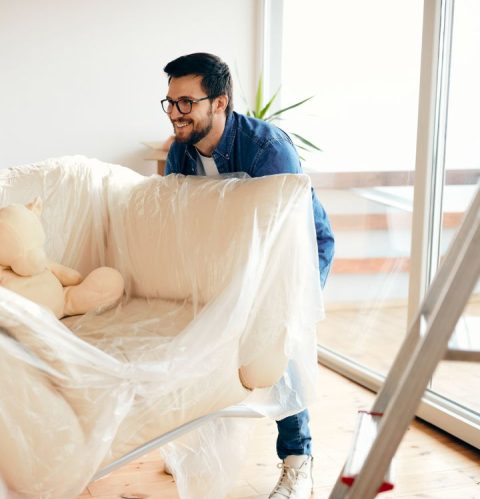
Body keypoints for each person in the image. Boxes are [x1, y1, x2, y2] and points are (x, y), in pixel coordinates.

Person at [161, 53, 335, 498]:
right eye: (169, 102)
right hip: (234, 255)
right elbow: (183, 226)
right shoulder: (180, 152)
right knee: (207, 336)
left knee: (278, 345)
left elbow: (285, 239)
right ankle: (207, 441)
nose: (175, 113)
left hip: (295, 252)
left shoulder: (266, 148)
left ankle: (299, 463)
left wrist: (253, 305)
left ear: (219, 103)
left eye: (186, 103)